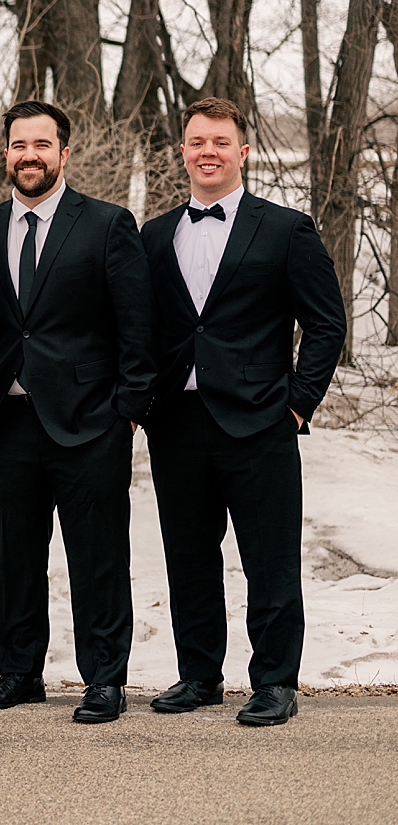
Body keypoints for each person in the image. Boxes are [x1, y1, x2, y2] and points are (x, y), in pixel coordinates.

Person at [141, 97, 345, 727]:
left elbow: (326, 323)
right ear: (182, 152)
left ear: (243, 152)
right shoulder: (154, 234)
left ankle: (276, 681)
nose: (208, 152)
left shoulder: (285, 228)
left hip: (261, 421)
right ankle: (199, 675)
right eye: (197, 142)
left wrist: (297, 405)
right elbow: (140, 327)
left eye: (221, 142)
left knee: (270, 558)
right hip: (177, 423)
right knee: (189, 555)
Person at [0, 99, 156, 724]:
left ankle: (104, 679)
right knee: (14, 550)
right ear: (6, 153)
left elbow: (137, 328)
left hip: (89, 422)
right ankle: (19, 670)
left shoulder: (106, 224)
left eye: (42, 145)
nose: (29, 156)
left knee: (96, 554)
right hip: (7, 422)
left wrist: (126, 409)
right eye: (19, 145)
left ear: (63, 154)